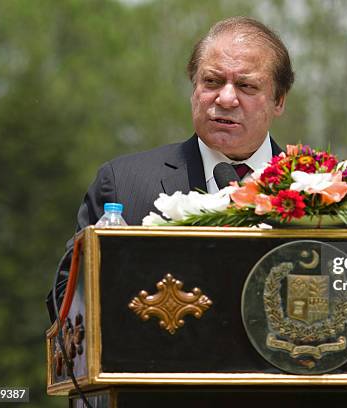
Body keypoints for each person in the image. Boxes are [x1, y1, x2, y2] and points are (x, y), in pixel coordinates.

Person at [46, 16, 294, 322]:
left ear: (279, 101)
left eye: (246, 86)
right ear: (194, 88)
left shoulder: (323, 194)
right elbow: (66, 300)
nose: (226, 98)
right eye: (212, 82)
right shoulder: (123, 184)